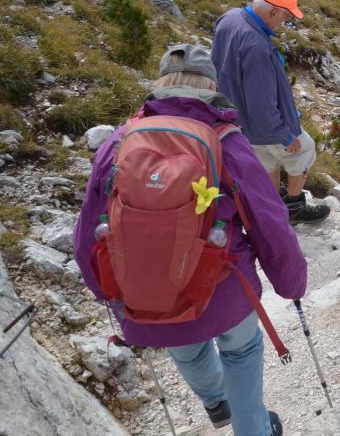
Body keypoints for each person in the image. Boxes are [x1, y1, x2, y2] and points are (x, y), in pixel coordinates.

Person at [73, 45, 306, 436]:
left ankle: (216, 402)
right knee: (242, 351)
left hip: (146, 291)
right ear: (212, 84)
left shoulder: (118, 143)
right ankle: (254, 430)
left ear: (160, 85)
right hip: (224, 288)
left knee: (184, 341)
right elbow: (270, 222)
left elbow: (87, 231)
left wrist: (106, 293)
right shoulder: (226, 142)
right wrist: (291, 282)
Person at [211, 0, 329, 223]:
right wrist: (284, 135)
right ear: (274, 11)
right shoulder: (256, 45)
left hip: (237, 118)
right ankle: (295, 206)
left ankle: (274, 207)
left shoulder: (229, 18)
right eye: (285, 16)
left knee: (267, 161)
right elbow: (262, 103)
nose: (284, 22)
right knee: (304, 150)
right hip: (263, 127)